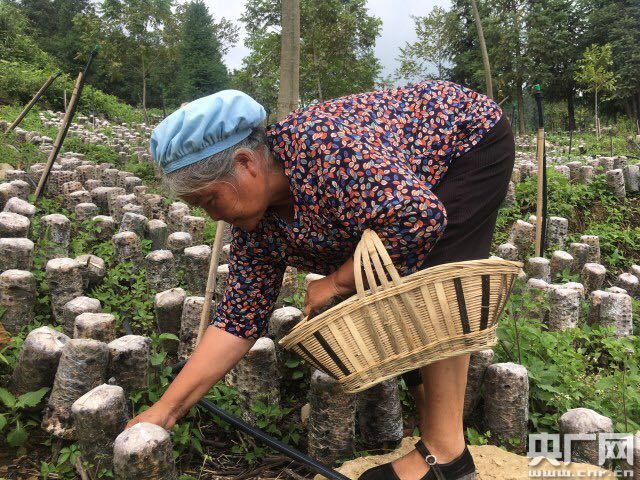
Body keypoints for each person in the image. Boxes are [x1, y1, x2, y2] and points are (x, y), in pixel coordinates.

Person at [126, 82, 514, 480]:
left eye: (210, 200)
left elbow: (418, 218)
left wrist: (337, 281)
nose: (212, 217)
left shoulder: (323, 149)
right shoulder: (256, 230)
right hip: (410, 180)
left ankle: (446, 454)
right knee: (395, 280)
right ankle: (432, 417)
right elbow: (237, 321)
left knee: (435, 280)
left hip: (466, 139)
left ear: (245, 163)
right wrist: (166, 410)